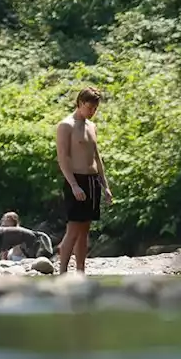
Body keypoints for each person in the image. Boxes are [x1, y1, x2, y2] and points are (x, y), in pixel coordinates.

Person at [55, 87, 114, 274]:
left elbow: (97, 157)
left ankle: (81, 271)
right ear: (80, 103)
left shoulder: (92, 126)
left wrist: (105, 186)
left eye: (95, 108)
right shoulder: (66, 125)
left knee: (84, 230)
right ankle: (62, 272)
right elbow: (62, 158)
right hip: (76, 180)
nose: (92, 112)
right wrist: (73, 185)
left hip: (93, 180)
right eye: (89, 108)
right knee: (73, 229)